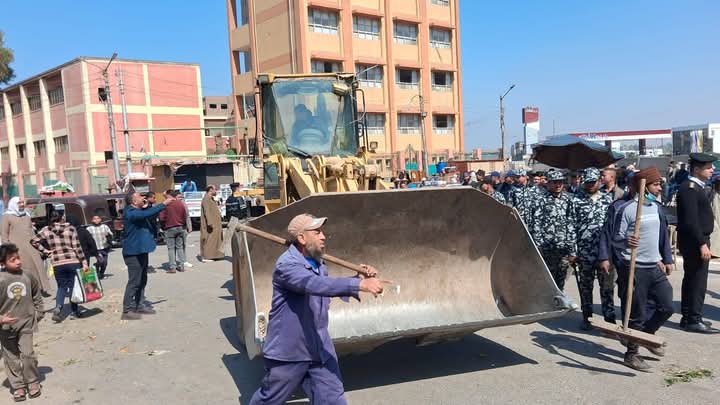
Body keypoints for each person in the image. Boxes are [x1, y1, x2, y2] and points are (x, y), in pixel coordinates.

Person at [249, 214, 390, 404]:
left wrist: (357, 279)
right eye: (317, 232)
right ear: (301, 238)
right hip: (291, 351)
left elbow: (325, 289)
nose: (323, 236)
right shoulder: (287, 266)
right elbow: (314, 285)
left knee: (332, 398)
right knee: (270, 399)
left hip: (319, 346)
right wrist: (359, 285)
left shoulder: (318, 264)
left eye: (322, 232)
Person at [604, 167, 674, 370]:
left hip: (654, 265)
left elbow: (662, 236)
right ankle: (631, 354)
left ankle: (646, 336)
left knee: (667, 306)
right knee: (637, 313)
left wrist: (666, 258)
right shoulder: (626, 209)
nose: (659, 188)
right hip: (634, 267)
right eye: (656, 184)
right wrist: (627, 241)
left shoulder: (656, 208)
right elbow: (615, 239)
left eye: (660, 184)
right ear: (643, 186)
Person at [676, 153, 718, 333]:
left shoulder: (696, 187)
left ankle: (689, 317)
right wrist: (702, 243)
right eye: (708, 167)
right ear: (696, 169)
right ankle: (693, 319)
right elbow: (691, 221)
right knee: (697, 281)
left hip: (696, 240)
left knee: (692, 279)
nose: (712, 170)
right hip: (695, 241)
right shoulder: (690, 188)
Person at [0, 244, 44, 401]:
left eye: (18, 258)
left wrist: (39, 311)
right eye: (12, 260)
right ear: (2, 263)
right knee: (11, 357)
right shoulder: (1, 279)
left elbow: (36, 294)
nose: (18, 261)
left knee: (27, 354)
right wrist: (1, 319)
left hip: (26, 323)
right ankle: (18, 386)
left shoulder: (28, 276)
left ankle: (32, 381)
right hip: (5, 327)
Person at [572, 168, 615, 330]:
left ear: (599, 181)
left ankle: (609, 320)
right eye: (588, 182)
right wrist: (573, 252)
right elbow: (571, 227)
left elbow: (612, 226)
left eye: (593, 182)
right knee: (586, 287)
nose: (590, 185)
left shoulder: (608, 199)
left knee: (607, 288)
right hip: (584, 252)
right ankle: (587, 317)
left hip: (604, 253)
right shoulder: (576, 200)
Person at [30, 211, 88, 322]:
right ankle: (75, 311)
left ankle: (58, 307)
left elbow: (33, 241)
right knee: (73, 287)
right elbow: (77, 247)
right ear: (62, 218)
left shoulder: (46, 229)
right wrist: (84, 261)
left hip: (57, 263)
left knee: (61, 287)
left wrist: (46, 251)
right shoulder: (71, 229)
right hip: (72, 261)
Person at [528, 169, 577, 290]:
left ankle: (560, 299)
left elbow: (571, 224)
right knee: (548, 282)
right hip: (547, 248)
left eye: (560, 182)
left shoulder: (568, 199)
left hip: (563, 248)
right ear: (548, 183)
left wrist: (572, 249)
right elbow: (536, 224)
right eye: (555, 182)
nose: (558, 185)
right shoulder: (540, 200)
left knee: (561, 281)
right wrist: (538, 246)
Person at [121, 192, 166, 320]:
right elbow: (143, 215)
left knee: (142, 279)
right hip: (132, 252)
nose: (143, 198)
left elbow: (150, 217)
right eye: (140, 197)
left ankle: (139, 304)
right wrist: (163, 204)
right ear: (134, 202)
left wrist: (147, 207)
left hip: (142, 250)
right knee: (134, 281)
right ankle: (127, 310)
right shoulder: (129, 212)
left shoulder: (140, 211)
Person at [1, 197, 51, 295]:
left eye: (22, 203)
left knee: (38, 267)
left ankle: (39, 289)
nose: (22, 205)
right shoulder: (7, 217)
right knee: (25, 269)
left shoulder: (26, 215)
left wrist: (39, 246)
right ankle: (28, 291)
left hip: (32, 247)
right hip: (17, 249)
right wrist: (9, 251)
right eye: (19, 203)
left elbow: (31, 231)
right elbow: (4, 235)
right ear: (14, 204)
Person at [159, 192, 188, 273]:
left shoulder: (166, 204)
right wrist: (183, 224)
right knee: (180, 247)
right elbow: (184, 216)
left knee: (171, 248)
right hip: (180, 227)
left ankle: (172, 267)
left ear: (169, 195)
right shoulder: (180, 203)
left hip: (169, 227)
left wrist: (163, 226)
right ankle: (181, 266)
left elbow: (161, 218)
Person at [200, 185, 224, 262]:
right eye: (215, 189)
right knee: (209, 240)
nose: (216, 191)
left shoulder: (211, 199)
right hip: (211, 224)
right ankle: (206, 257)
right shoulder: (206, 199)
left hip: (215, 223)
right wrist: (210, 222)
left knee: (215, 240)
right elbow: (207, 211)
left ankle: (214, 255)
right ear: (211, 190)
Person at [86, 215, 114, 279]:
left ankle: (101, 274)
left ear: (100, 219)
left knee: (105, 263)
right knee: (101, 261)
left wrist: (109, 236)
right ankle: (96, 265)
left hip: (105, 247)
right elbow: (87, 238)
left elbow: (111, 234)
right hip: (96, 249)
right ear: (92, 220)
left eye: (98, 218)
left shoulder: (104, 226)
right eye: (94, 219)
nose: (96, 220)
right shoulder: (89, 228)